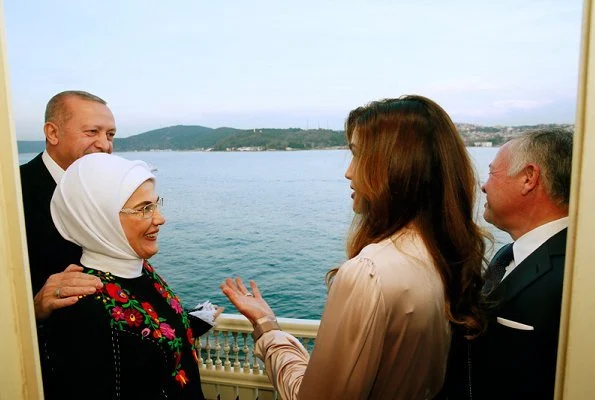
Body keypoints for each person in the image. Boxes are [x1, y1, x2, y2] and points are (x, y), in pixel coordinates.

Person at [221, 95, 488, 400]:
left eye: (358, 155)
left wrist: (268, 330)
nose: (348, 172)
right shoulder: (437, 259)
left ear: (396, 167)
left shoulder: (369, 274)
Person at [44, 152, 213, 399]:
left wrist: (200, 318)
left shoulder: (139, 269)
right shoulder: (83, 305)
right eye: (144, 209)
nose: (160, 218)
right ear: (100, 218)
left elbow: (152, 332)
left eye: (155, 204)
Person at [471, 128, 573, 399]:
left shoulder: (573, 274)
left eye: (492, 173)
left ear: (529, 178)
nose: (484, 185)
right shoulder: (507, 255)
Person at [20, 90, 115, 321]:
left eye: (110, 135)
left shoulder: (110, 192)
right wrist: (35, 307)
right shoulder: (11, 194)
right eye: (92, 132)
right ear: (52, 133)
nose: (105, 144)